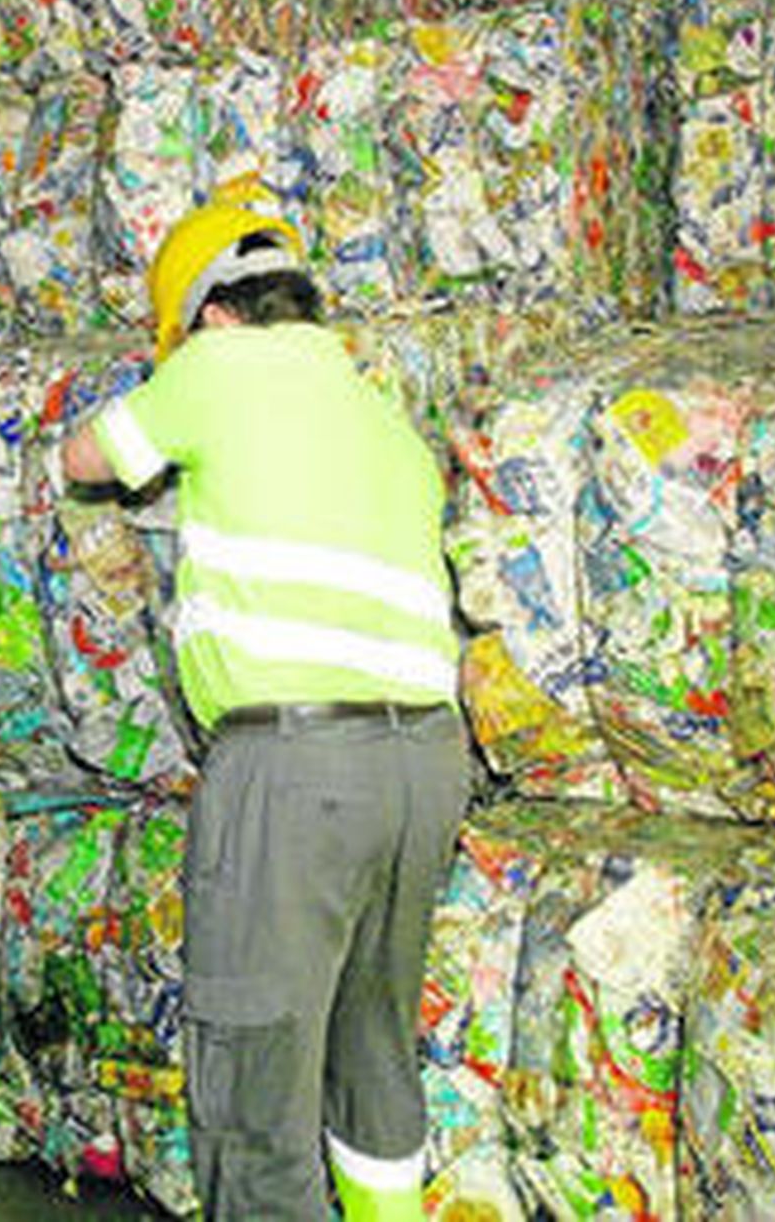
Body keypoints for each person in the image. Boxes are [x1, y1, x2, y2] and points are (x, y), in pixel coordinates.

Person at [58, 192, 470, 1221]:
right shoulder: (379, 413)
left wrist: (158, 390)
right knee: (369, 1045)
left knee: (253, 1066)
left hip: (295, 769)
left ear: (208, 315)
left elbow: (86, 460)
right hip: (424, 763)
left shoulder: (219, 364)